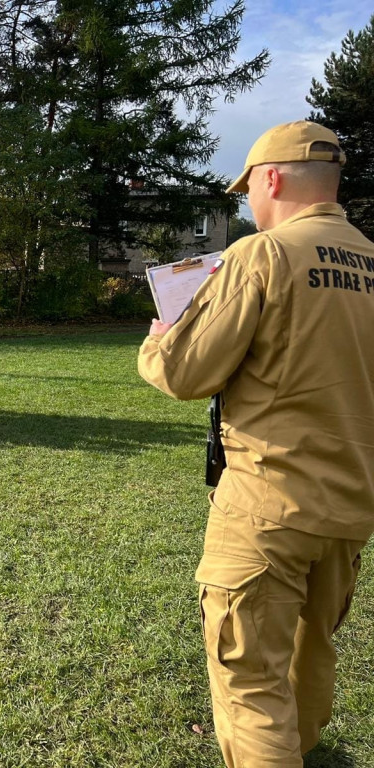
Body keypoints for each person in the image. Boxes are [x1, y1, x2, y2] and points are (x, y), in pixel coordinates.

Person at [138, 121, 374, 767]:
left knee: (251, 685)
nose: (249, 203)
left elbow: (184, 373)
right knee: (310, 652)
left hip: (269, 506)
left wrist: (162, 335)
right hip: (351, 510)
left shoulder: (261, 255)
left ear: (270, 177)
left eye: (249, 189)